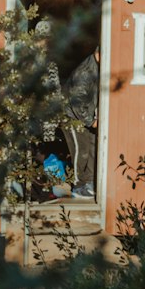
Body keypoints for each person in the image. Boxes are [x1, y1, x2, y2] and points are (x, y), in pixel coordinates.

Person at [62, 48, 100, 199]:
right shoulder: (85, 72)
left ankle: (88, 182)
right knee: (80, 150)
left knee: (91, 146)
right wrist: (91, 121)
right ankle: (78, 187)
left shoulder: (96, 67)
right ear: (100, 54)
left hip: (85, 115)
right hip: (72, 116)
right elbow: (77, 101)